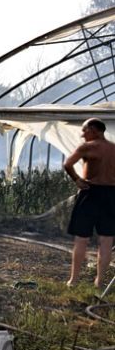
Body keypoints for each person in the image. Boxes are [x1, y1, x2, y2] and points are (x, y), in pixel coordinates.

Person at [63, 118, 115, 288]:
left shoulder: (88, 147)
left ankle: (73, 281)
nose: (82, 134)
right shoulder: (114, 148)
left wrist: (77, 179)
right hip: (111, 195)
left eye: (84, 130)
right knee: (106, 240)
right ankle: (99, 282)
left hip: (91, 193)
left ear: (93, 130)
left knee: (81, 239)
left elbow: (68, 163)